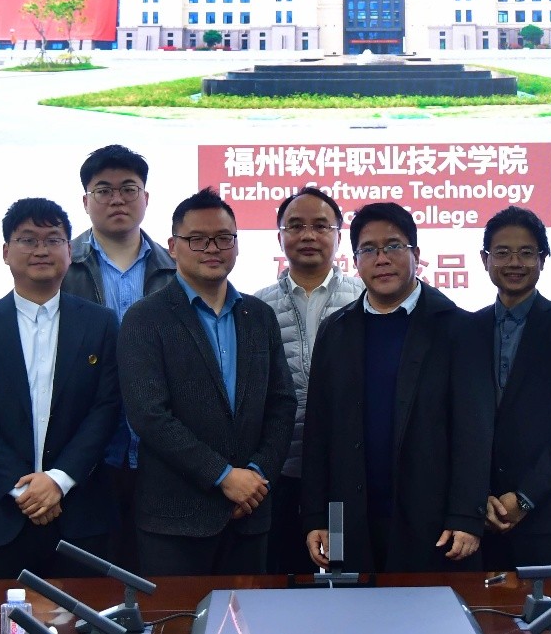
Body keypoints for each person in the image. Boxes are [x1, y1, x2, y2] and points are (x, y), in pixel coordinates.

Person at [301, 202, 493, 573]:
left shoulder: (458, 328)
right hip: (346, 516)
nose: (382, 259)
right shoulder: (335, 331)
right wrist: (315, 517)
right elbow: (318, 432)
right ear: (355, 261)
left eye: (393, 246)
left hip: (435, 521)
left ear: (416, 255)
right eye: (368, 249)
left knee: (431, 607)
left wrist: (467, 516)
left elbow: (474, 432)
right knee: (351, 603)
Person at [117, 188, 296, 576]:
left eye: (223, 238)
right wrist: (223, 476)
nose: (212, 248)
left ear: (236, 244)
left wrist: (256, 475)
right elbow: (149, 415)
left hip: (250, 512)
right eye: (197, 239)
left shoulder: (259, 316)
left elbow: (282, 404)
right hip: (175, 520)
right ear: (173, 247)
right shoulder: (145, 318)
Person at [0, 198, 121, 579]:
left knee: (84, 613)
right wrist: (23, 488)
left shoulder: (101, 323)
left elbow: (107, 408)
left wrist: (58, 480)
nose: (41, 250)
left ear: (69, 251)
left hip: (79, 516)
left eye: (53, 239)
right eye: (28, 240)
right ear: (6, 252)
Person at [62, 145, 176, 571]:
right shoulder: (61, 265)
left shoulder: (176, 268)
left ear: (146, 198)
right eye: (103, 190)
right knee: (92, 577)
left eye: (129, 189)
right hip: (85, 452)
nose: (117, 200)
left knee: (157, 574)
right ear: (85, 200)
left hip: (162, 453)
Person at [476, 206, 551, 568]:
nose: (515, 262)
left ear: (543, 259)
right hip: (478, 521)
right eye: (502, 252)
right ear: (485, 260)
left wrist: (524, 498)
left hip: (547, 520)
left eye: (526, 252)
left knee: (548, 607)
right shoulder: (466, 329)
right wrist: (478, 498)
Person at [252, 186, 363, 574]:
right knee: (282, 576)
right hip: (276, 473)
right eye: (295, 226)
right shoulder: (256, 307)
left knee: (342, 571)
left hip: (345, 475)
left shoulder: (365, 299)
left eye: (320, 226)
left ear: (338, 234)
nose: (308, 235)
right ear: (279, 236)